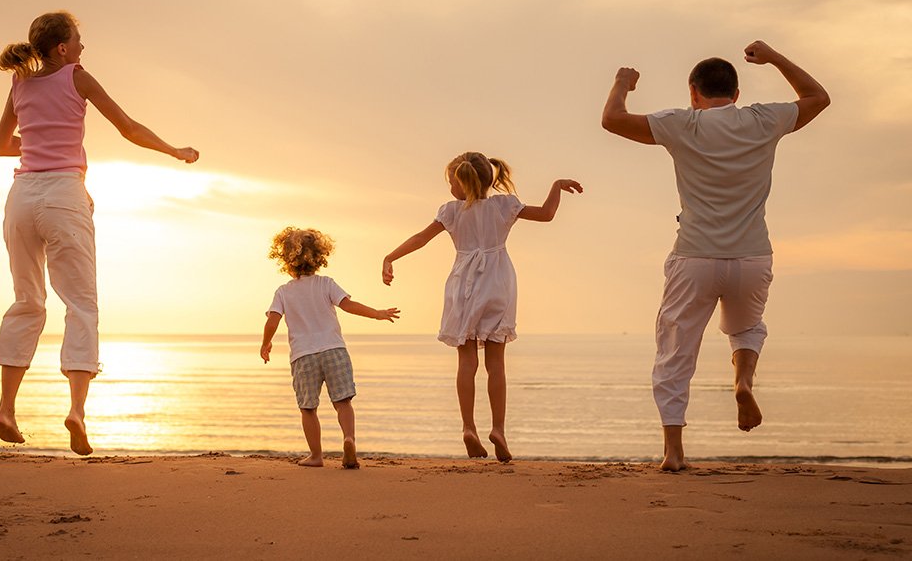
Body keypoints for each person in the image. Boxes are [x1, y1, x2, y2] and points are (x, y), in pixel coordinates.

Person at [601, 40, 830, 471]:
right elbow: (818, 98)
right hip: (751, 257)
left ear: (693, 92)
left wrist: (622, 83)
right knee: (747, 329)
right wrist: (776, 57)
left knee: (676, 350)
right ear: (737, 94)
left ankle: (673, 450)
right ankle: (742, 382)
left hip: (695, 257)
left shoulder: (682, 124)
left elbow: (612, 119)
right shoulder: (764, 119)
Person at [0, 11, 199, 456]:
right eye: (78, 40)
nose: (83, 47)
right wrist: (174, 150)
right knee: (81, 303)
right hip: (64, 195)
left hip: (21, 196)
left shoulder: (19, 83)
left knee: (27, 300)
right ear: (62, 49)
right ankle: (77, 412)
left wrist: (41, 142)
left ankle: (7, 409)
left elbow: (2, 146)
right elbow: (128, 128)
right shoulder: (77, 76)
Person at [382, 152, 582, 462]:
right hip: (498, 283)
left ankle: (468, 427)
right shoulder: (504, 205)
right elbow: (546, 214)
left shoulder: (450, 212)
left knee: (466, 362)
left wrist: (390, 257)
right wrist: (556, 185)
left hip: (463, 285)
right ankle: (499, 429)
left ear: (460, 183)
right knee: (496, 363)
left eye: (450, 181)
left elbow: (421, 238)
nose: (449, 187)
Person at [261, 227, 400, 469]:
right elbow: (349, 305)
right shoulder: (326, 284)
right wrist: (377, 314)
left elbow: (273, 319)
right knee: (343, 402)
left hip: (303, 356)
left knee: (308, 408)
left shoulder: (283, 292)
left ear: (286, 260)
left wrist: (266, 343)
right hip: (334, 350)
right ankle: (348, 439)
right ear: (319, 256)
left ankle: (316, 456)